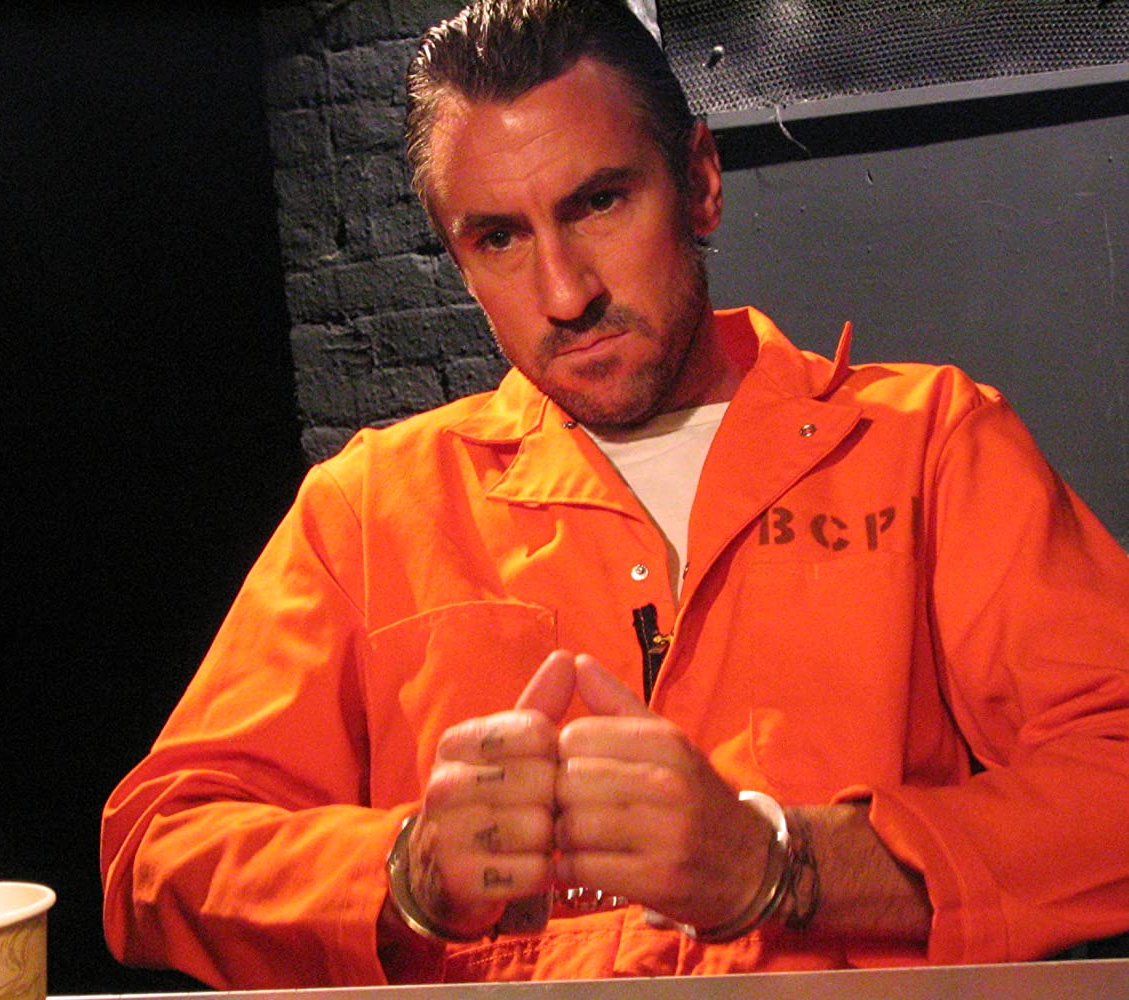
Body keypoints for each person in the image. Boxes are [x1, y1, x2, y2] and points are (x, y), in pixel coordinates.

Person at [100, 0, 1129, 988]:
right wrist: (406, 870)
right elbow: (158, 850)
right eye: (498, 238)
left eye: (598, 203)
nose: (565, 293)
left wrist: (782, 863)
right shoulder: (370, 508)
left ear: (700, 183)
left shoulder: (925, 445)